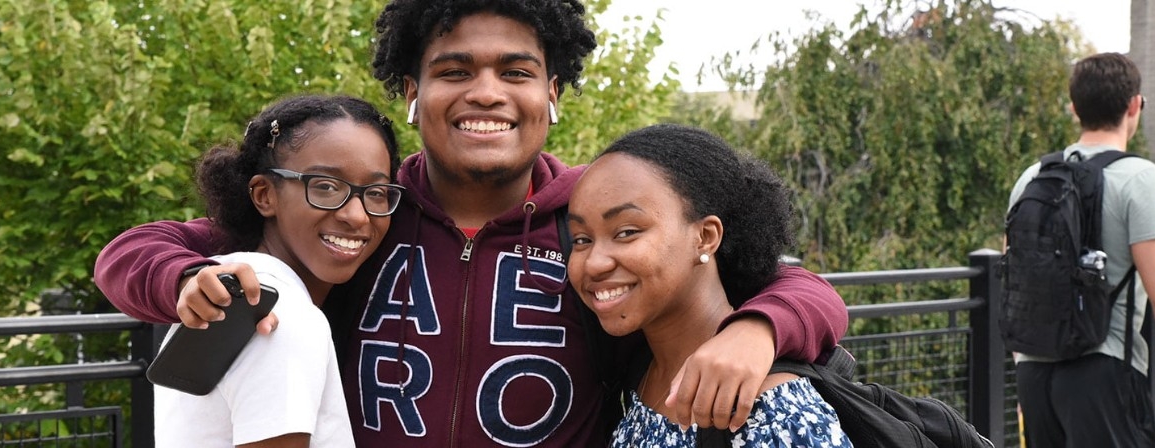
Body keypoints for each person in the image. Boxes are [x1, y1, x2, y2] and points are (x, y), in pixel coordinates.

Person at [94, 1, 849, 446]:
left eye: (515, 72)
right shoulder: (362, 214)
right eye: (455, 70)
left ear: (552, 92)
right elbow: (136, 250)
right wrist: (189, 280)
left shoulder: (595, 219)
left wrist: (757, 332)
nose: (486, 92)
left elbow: (800, 286)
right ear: (412, 91)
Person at [567, 124, 852, 446]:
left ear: (705, 237)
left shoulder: (772, 412)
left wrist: (758, 329)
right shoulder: (643, 369)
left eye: (626, 232)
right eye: (581, 239)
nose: (594, 262)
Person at [146, 94, 404, 447]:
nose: (357, 215)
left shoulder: (229, 283)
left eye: (375, 192)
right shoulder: (278, 316)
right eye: (326, 187)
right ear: (265, 195)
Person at [1008, 52, 1155, 448]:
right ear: (1134, 105)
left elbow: (1017, 284)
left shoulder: (1031, 178)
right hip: (1103, 373)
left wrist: (1024, 367)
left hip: (1034, 375)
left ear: (1074, 108)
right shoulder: (1141, 178)